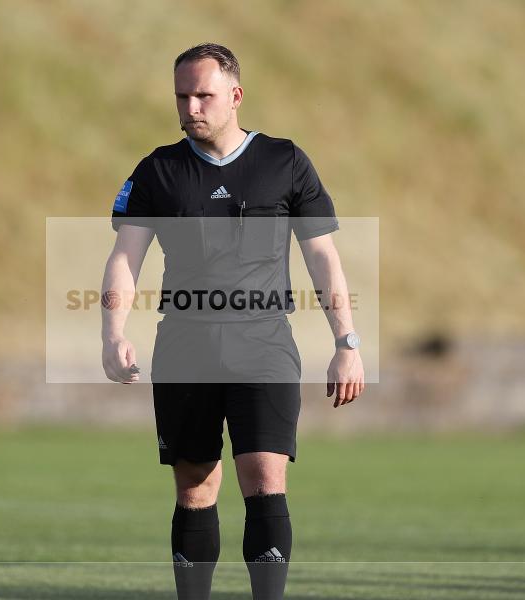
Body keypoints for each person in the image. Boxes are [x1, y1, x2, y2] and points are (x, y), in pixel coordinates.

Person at [101, 43, 364, 600]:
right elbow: (127, 257)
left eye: (204, 95)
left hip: (263, 343)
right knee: (195, 486)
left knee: (264, 481)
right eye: (182, 96)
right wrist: (113, 334)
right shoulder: (158, 171)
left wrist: (347, 340)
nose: (191, 107)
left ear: (236, 96)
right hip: (184, 347)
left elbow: (323, 257)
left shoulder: (285, 162)